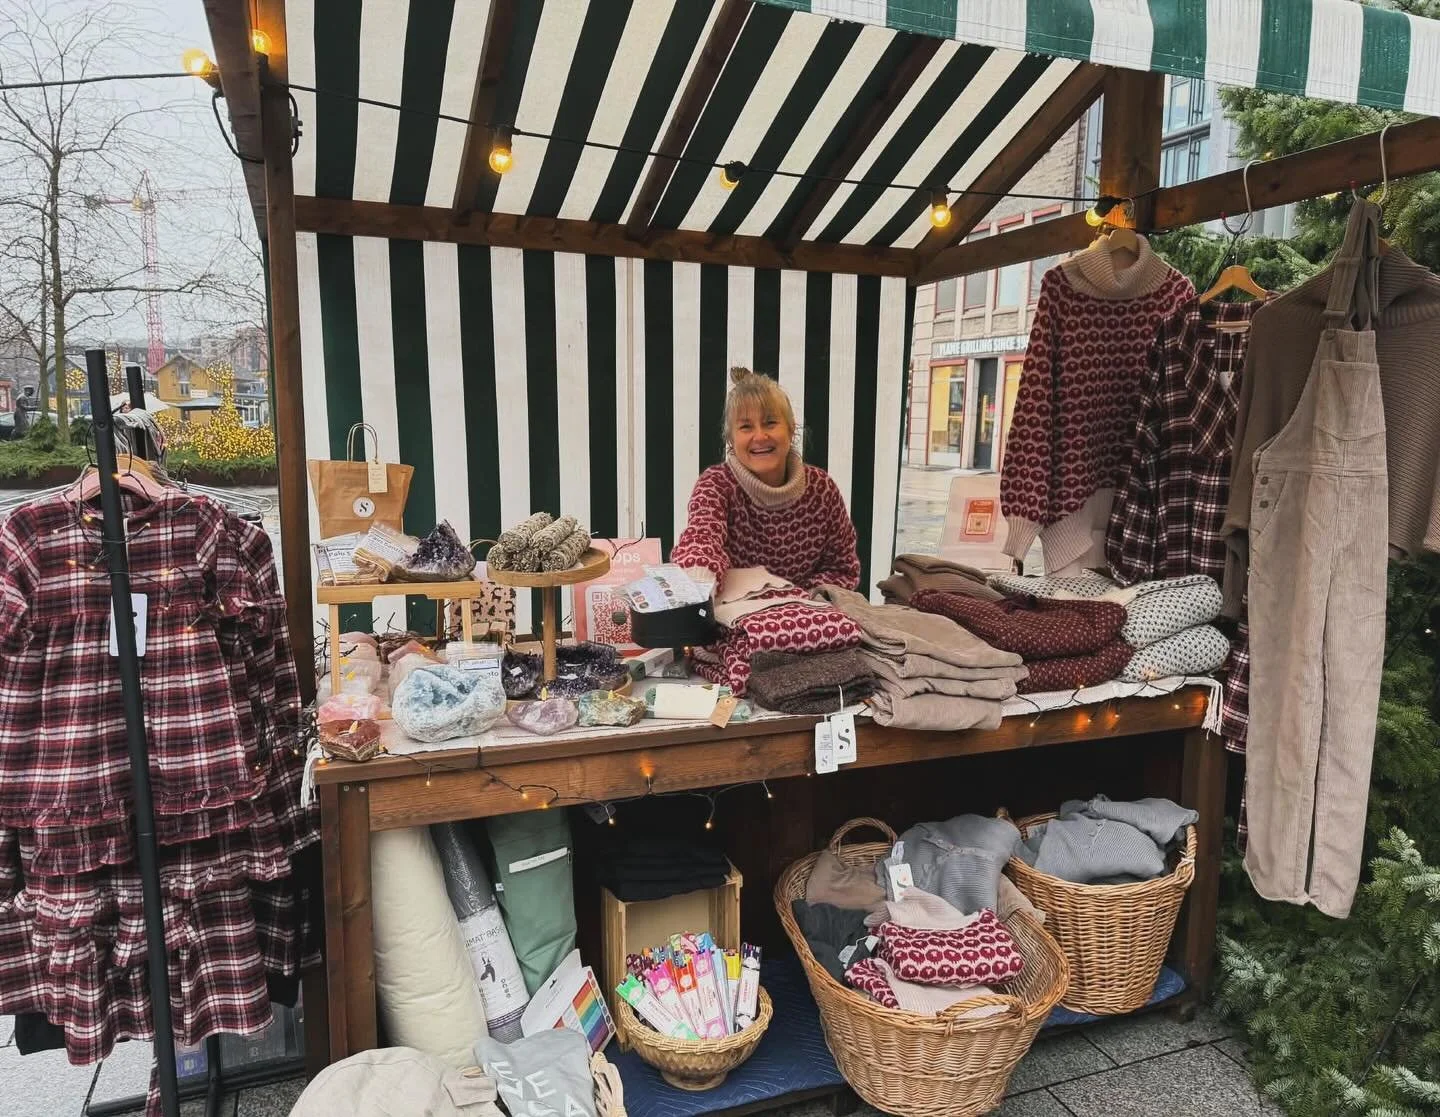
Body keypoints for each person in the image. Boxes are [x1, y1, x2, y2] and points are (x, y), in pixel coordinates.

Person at [671, 367, 861, 593]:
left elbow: (843, 568)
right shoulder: (716, 484)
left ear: (791, 430)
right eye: (746, 427)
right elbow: (701, 541)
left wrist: (795, 600)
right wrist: (697, 587)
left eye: (770, 422)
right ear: (731, 439)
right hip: (735, 614)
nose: (760, 436)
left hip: (806, 612)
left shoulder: (822, 488)